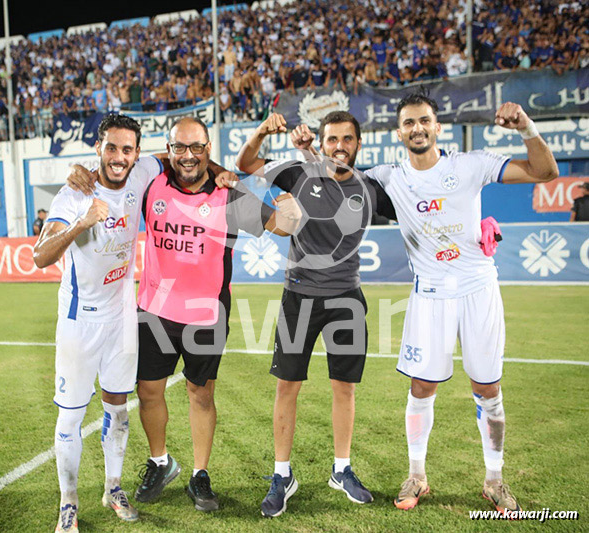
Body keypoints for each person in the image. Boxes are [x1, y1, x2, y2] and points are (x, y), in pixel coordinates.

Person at [364, 92, 558, 515]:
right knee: (422, 386)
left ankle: (494, 480)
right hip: (430, 294)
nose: (417, 128)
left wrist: (526, 128)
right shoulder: (387, 176)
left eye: (424, 121)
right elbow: (332, 181)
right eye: (409, 123)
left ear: (438, 127)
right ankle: (417, 474)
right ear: (399, 132)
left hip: (478, 289)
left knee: (487, 387)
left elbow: (546, 171)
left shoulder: (470, 165)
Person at [131, 117, 301, 512]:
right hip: (154, 308)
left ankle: (199, 474)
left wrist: (280, 190)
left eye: (197, 147)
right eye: (179, 148)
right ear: (169, 149)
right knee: (148, 391)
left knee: (200, 394)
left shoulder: (230, 194)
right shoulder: (151, 183)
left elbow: (286, 226)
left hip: (206, 312)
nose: (188, 156)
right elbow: (128, 167)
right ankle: (160, 462)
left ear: (209, 148)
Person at [235, 111, 396, 518]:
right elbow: (245, 167)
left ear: (358, 144)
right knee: (287, 386)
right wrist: (260, 132)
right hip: (299, 298)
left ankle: (341, 470)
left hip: (347, 299)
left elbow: (421, 210)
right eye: (331, 139)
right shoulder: (297, 172)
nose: (339, 146)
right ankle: (282, 474)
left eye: (347, 139)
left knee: (345, 388)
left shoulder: (370, 187)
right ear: (321, 143)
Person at [33, 114, 165, 533]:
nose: (119, 157)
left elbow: (179, 159)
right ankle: (68, 502)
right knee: (70, 420)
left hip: (121, 316)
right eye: (111, 147)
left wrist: (223, 173)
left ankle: (112, 487)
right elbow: (40, 255)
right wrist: (80, 223)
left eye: (127, 149)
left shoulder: (144, 170)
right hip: (79, 322)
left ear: (137, 153)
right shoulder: (74, 194)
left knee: (118, 411)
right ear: (98, 148)